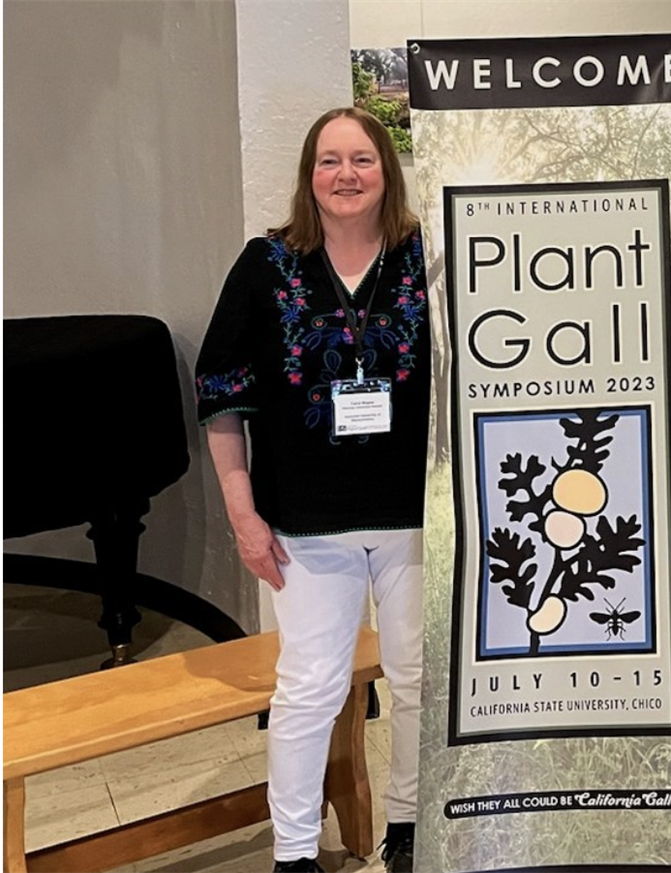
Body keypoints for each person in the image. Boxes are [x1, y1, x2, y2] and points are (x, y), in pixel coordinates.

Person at [196, 107, 428, 873]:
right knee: (308, 690)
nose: (346, 175)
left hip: (414, 516)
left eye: (362, 159)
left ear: (386, 172)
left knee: (420, 678)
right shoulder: (267, 264)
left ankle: (409, 823)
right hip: (304, 521)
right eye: (329, 161)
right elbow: (222, 393)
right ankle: (293, 854)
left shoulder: (426, 259)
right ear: (309, 175)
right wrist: (242, 512)